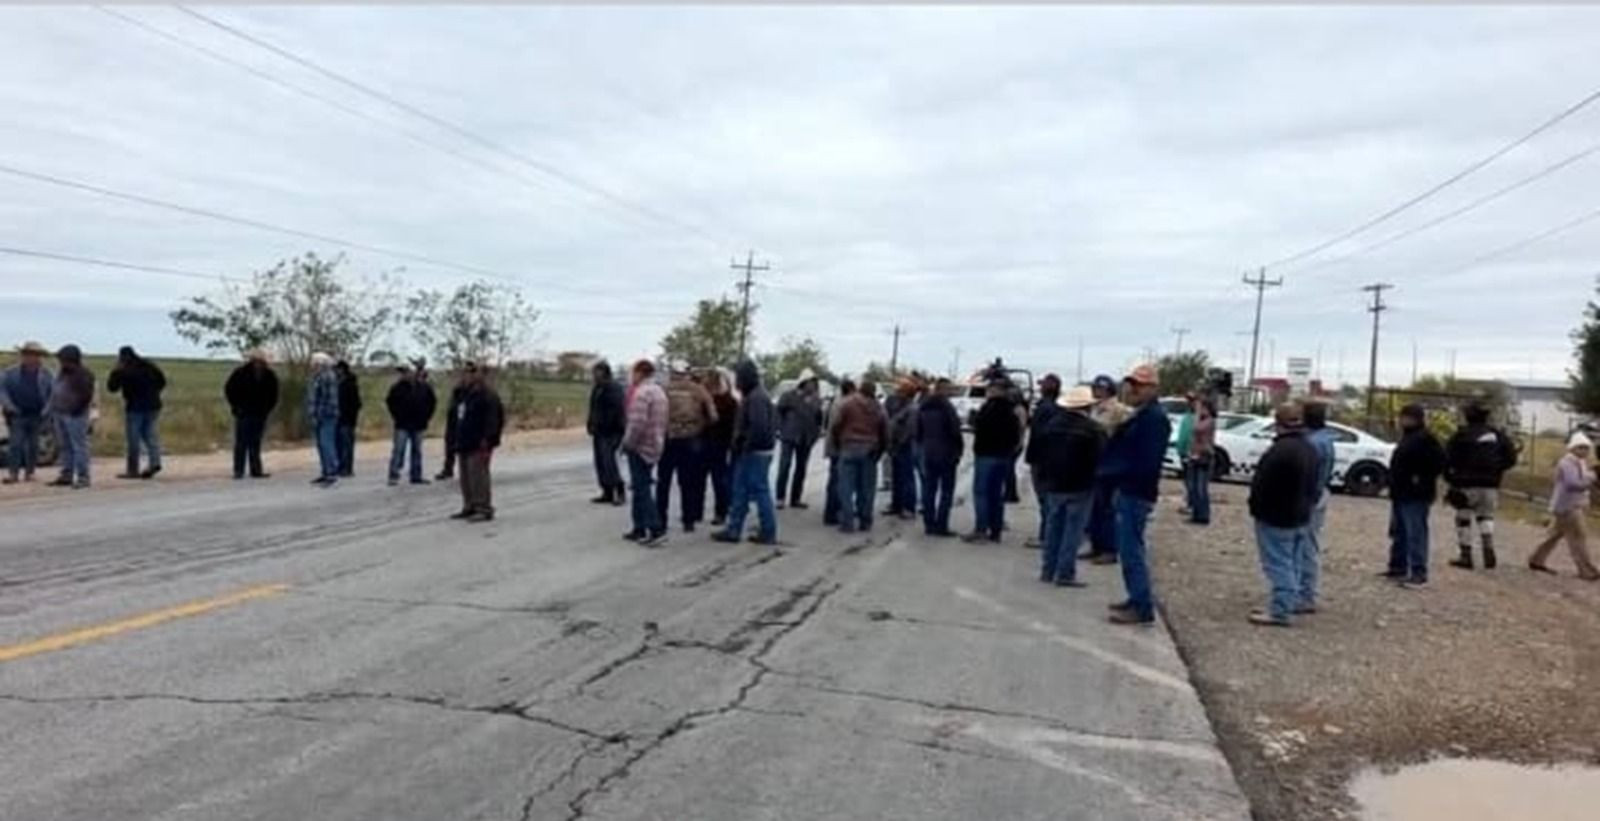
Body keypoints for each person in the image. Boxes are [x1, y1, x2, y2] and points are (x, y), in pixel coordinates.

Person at [1103, 364, 1172, 626]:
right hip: (1128, 488)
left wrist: (1119, 474)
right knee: (1129, 547)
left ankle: (1142, 606)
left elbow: (1146, 461)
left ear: (1153, 388)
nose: (1134, 389)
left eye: (1140, 385)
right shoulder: (1142, 415)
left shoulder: (1154, 419)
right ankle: (1135, 598)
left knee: (1131, 549)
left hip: (1136, 491)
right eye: (1133, 384)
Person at [1247, 403, 1321, 627]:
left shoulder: (1279, 450)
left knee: (1278, 564)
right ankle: (1290, 601)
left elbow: (1262, 484)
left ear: (1278, 423)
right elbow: (1315, 484)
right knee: (1294, 562)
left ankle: (1280, 610)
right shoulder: (1309, 448)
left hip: (1276, 516)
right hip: (1301, 515)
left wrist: (1255, 506)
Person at [1033, 385, 1105, 587]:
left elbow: (1041, 455)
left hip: (1054, 484)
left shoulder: (1051, 426)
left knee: (1053, 527)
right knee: (1073, 531)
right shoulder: (1093, 430)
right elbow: (1100, 459)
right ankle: (1065, 572)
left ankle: (1048, 569)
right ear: (1087, 406)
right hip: (1081, 485)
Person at [1444, 403, 1518, 571]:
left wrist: (1451, 478)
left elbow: (1447, 458)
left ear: (1467, 417)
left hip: (1465, 483)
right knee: (1486, 516)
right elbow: (1511, 458)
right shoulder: (1497, 435)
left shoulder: (1460, 435)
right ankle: (1488, 545)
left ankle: (1466, 555)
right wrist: (1497, 470)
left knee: (1463, 518)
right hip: (1490, 484)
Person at [714, 358, 778, 545]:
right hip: (755, 451)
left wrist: (744, 443)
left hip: (754, 452)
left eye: (739, 377)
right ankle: (734, 529)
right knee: (740, 491)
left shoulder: (756, 397)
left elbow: (758, 427)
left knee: (759, 491)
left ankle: (767, 531)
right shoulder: (757, 395)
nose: (737, 382)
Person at [1385, 404, 1445, 587]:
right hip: (1401, 492)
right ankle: (1398, 566)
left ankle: (1418, 572)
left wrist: (1419, 478)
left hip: (1415, 494)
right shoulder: (1408, 438)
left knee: (1415, 532)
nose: (1399, 421)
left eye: (1403, 417)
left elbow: (1439, 462)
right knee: (1400, 531)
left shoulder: (1425, 439)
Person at [1528, 432, 1600, 581]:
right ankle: (1586, 570)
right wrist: (1592, 478)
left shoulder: (1579, 463)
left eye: (1586, 448)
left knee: (1553, 535)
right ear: (1572, 448)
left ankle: (1536, 559)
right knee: (1578, 537)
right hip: (1569, 506)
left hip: (1569, 505)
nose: (1584, 451)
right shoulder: (1567, 463)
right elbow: (1572, 483)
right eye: (1580, 448)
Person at [657, 360, 717, 533]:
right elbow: (713, 416)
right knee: (688, 482)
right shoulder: (698, 390)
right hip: (691, 439)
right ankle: (688, 520)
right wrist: (700, 424)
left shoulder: (664, 389)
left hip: (668, 438)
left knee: (664, 482)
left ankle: (661, 521)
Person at [965, 380, 1022, 543]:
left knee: (981, 493)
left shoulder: (987, 409)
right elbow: (1015, 435)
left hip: (986, 454)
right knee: (996, 494)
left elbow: (979, 428)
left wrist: (974, 420)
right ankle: (995, 531)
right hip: (1003, 456)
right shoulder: (1011, 411)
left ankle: (981, 529)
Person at [830, 378, 889, 534]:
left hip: (848, 448)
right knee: (867, 489)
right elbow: (885, 431)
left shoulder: (848, 404)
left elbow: (836, 425)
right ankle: (865, 521)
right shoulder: (879, 408)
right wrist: (880, 450)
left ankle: (847, 522)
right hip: (870, 450)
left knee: (845, 488)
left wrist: (838, 444)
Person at [1083, 374, 1131, 564]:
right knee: (1094, 508)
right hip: (1095, 462)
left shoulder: (1118, 410)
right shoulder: (1094, 408)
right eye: (1095, 388)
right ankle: (1096, 545)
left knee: (1107, 508)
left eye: (1101, 388)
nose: (1097, 391)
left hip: (1110, 463)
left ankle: (1109, 549)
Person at [621, 359, 668, 545]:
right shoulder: (660, 392)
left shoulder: (642, 393)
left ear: (640, 373)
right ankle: (638, 528)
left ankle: (655, 529)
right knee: (641, 486)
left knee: (641, 489)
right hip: (656, 444)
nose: (631, 376)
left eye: (633, 372)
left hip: (641, 446)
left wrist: (627, 444)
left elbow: (636, 424)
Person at [451, 364, 504, 523]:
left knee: (478, 476)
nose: (468, 376)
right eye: (465, 373)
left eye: (473, 372)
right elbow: (455, 414)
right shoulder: (463, 394)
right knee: (466, 477)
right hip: (464, 441)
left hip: (480, 442)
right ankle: (469, 505)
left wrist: (488, 440)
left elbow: (494, 420)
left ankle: (483, 507)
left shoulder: (487, 395)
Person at [105, 346, 167, 480]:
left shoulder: (124, 370)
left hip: (135, 407)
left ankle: (132, 469)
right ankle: (155, 462)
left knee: (133, 439)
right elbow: (162, 382)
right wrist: (154, 393)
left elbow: (112, 388)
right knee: (150, 434)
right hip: (153, 405)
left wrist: (115, 371)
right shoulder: (149, 366)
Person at [915, 377, 964, 536]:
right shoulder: (947, 407)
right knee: (946, 491)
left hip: (929, 452)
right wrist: (958, 450)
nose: (951, 392)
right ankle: (941, 525)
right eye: (949, 389)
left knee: (929, 489)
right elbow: (955, 430)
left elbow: (917, 431)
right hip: (947, 453)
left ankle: (929, 524)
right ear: (943, 389)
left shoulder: (924, 406)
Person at [2, 340, 54, 484]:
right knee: (15, 444)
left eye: (36, 355)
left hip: (37, 414)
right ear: (23, 356)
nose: (33, 358)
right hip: (17, 413)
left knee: (33, 445)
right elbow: (2, 391)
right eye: (29, 355)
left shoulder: (47, 374)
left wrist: (47, 409)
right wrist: (9, 405)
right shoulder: (10, 373)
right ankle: (13, 473)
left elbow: (52, 393)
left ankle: (30, 472)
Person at [44, 344, 95, 489]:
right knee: (64, 446)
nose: (61, 362)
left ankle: (83, 477)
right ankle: (66, 474)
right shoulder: (62, 373)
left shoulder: (83, 375)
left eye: (64, 359)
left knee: (79, 446)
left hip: (75, 415)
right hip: (60, 413)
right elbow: (55, 391)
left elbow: (86, 396)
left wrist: (75, 410)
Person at [1303, 402, 1336, 612]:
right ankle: (1306, 591)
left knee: (1305, 545)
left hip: (1310, 497)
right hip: (1320, 493)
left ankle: (1305, 594)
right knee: (1310, 543)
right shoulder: (1326, 440)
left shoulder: (1312, 443)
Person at [1023, 374, 1063, 549]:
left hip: (1042, 459)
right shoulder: (1054, 407)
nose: (1040, 388)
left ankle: (1047, 536)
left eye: (1043, 385)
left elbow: (1041, 435)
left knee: (1046, 500)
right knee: (1047, 500)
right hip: (1045, 458)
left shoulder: (1047, 408)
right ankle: (1047, 534)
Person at [225, 349, 279, 479]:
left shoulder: (269, 375)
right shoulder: (240, 373)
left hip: (260, 413)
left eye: (261, 360)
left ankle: (256, 470)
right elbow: (229, 389)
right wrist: (236, 407)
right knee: (241, 443)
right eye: (256, 359)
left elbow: (274, 395)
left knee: (255, 442)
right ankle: (238, 470)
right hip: (243, 412)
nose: (258, 362)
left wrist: (267, 409)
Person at [775, 370, 823, 510]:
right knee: (785, 466)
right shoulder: (788, 396)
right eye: (810, 382)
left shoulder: (816, 400)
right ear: (803, 383)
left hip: (806, 438)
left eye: (814, 383)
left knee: (801, 469)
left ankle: (796, 498)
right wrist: (780, 429)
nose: (813, 386)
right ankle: (780, 497)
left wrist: (816, 433)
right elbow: (779, 412)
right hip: (789, 436)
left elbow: (819, 419)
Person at [385, 362, 436, 486]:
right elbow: (390, 402)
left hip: (418, 424)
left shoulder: (424, 387)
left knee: (417, 450)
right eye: (402, 372)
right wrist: (397, 416)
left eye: (406, 371)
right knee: (398, 450)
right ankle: (393, 475)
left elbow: (432, 402)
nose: (403, 374)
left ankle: (416, 475)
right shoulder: (397, 388)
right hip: (402, 424)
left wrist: (426, 417)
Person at [586, 360, 627, 505]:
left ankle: (619, 489)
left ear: (605, 373)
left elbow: (617, 411)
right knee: (600, 462)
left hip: (611, 431)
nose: (594, 375)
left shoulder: (614, 388)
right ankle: (607, 491)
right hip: (599, 431)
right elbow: (593, 408)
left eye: (597, 372)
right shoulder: (597, 388)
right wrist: (590, 424)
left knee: (608, 460)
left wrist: (610, 426)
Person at [704, 369, 739, 525]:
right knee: (719, 479)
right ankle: (722, 511)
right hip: (719, 443)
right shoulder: (730, 401)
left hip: (714, 443)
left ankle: (720, 511)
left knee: (717, 479)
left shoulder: (720, 401)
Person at [882, 377, 920, 519]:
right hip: (896, 447)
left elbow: (909, 430)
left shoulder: (913, 409)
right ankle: (896, 505)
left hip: (906, 447)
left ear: (907, 393)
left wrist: (898, 444)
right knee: (897, 477)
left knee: (907, 478)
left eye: (900, 391)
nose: (896, 394)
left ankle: (909, 507)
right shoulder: (900, 407)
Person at [822, 379, 857, 526]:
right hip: (839, 447)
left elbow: (826, 423)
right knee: (837, 481)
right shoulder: (843, 404)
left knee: (835, 480)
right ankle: (832, 513)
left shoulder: (836, 402)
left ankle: (834, 510)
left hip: (834, 446)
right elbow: (837, 426)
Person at [306, 352, 342, 487]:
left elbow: (328, 399)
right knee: (321, 445)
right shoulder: (317, 377)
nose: (312, 366)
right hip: (318, 415)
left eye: (314, 363)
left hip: (326, 416)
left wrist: (319, 415)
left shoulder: (328, 377)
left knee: (327, 444)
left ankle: (332, 473)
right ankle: (325, 471)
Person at [1184, 396, 1217, 525]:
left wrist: (1197, 414)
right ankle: (1196, 513)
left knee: (1201, 487)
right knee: (1193, 487)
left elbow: (1196, 429)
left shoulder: (1210, 421)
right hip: (1195, 455)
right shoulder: (1204, 420)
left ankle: (1203, 515)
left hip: (1204, 456)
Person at [435, 366, 471, 481]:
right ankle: (448, 469)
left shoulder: (473, 391)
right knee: (449, 447)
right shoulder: (456, 391)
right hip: (453, 422)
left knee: (465, 450)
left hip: (465, 424)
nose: (463, 377)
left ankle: (467, 472)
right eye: (462, 374)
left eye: (466, 374)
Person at [334, 360, 362, 477]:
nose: (336, 371)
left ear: (343, 370)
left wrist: (351, 417)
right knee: (338, 445)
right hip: (337, 419)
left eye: (338, 369)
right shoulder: (336, 383)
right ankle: (340, 467)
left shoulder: (350, 384)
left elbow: (357, 403)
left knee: (347, 446)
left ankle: (347, 468)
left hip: (347, 420)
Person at [1003, 384, 1028, 504]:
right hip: (1013, 442)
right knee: (1009, 469)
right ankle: (1009, 492)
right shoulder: (1013, 409)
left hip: (1016, 443)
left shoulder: (1019, 409)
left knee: (1009, 469)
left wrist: (1017, 442)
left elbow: (1021, 427)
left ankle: (1011, 493)